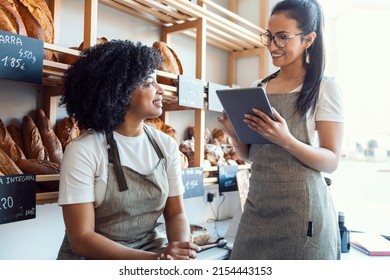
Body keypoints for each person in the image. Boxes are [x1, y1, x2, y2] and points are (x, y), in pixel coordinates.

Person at [218, 0, 344, 259]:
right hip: (257, 205)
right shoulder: (258, 87)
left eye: (283, 37)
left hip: (303, 213)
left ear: (308, 40)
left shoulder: (325, 87)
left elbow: (331, 161)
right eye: (270, 36)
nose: (273, 46)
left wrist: (287, 140)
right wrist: (233, 132)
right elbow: (251, 156)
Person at [56, 39, 199, 260]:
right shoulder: (84, 150)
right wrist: (153, 261)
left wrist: (180, 250)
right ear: (119, 91)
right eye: (149, 82)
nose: (161, 90)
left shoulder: (166, 145)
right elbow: (81, 239)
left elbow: (176, 213)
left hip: (153, 253)